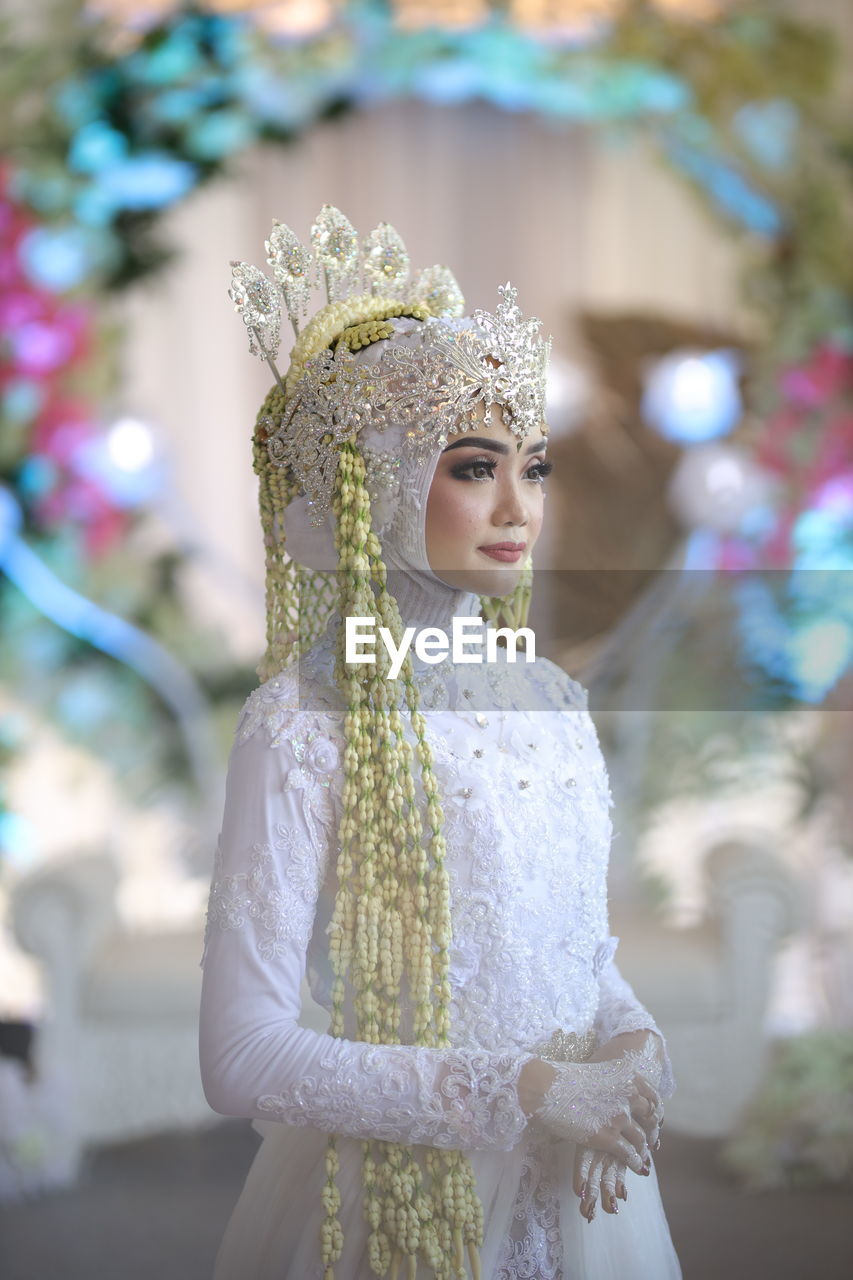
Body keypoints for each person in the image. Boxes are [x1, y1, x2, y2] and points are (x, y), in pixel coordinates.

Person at [199, 208, 682, 1280]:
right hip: (396, 1201)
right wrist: (525, 1090)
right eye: (472, 467)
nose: (518, 506)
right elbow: (239, 1056)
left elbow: (576, 956)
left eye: (535, 466)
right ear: (373, 480)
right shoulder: (303, 719)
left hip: (584, 1190)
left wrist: (632, 1039)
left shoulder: (554, 700)